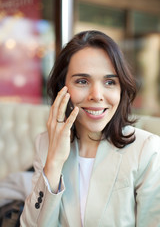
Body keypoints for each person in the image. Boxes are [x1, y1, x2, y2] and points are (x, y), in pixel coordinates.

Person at [20, 30, 160, 227]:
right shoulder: (45, 143)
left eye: (110, 82)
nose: (97, 95)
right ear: (63, 87)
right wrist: (53, 162)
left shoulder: (147, 150)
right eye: (82, 81)